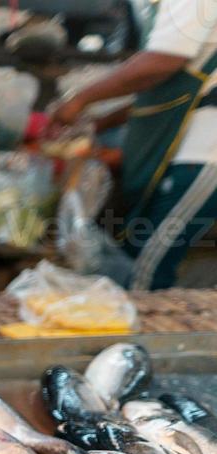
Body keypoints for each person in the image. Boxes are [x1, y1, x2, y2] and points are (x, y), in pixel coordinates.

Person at [50, 0, 217, 289]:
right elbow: (162, 90)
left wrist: (80, 99)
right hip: (177, 152)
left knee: (145, 270)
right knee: (134, 259)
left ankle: (152, 333)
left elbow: (163, 61)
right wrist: (98, 122)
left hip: (203, 155)